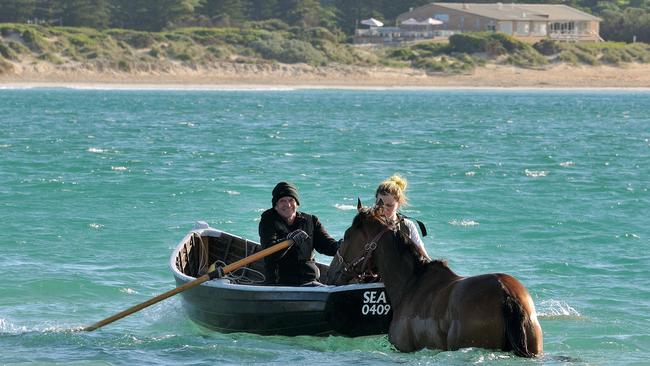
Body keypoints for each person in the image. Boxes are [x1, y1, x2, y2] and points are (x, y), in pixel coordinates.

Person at [259, 181, 340, 286]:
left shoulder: (310, 220)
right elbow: (269, 254)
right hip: (280, 284)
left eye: (291, 200)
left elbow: (328, 246)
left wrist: (345, 245)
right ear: (276, 205)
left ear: (297, 203)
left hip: (310, 281)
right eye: (282, 201)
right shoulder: (268, 220)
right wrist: (289, 241)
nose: (287, 205)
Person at [375, 174, 430, 259]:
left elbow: (423, 254)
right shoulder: (369, 224)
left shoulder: (407, 226)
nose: (384, 209)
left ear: (399, 204)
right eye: (380, 204)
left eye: (389, 205)